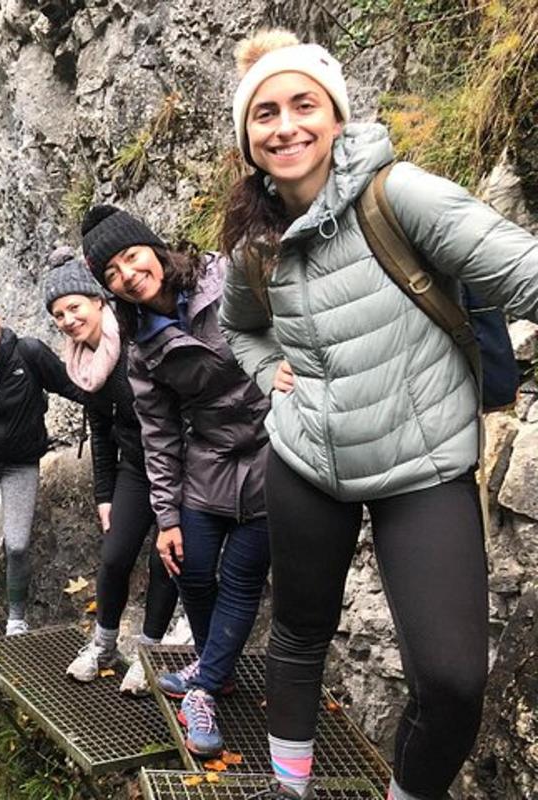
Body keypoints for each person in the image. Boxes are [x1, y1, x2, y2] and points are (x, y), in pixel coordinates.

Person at [217, 30, 538, 800]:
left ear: (336, 116)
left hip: (420, 462)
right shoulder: (255, 246)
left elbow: (525, 273)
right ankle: (287, 790)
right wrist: (271, 376)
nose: (286, 126)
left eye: (304, 105)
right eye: (265, 114)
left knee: (455, 682)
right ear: (248, 140)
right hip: (307, 459)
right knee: (297, 635)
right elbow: (239, 327)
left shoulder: (400, 196)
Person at [80, 205, 271, 758]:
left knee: (239, 580)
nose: (127, 275)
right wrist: (166, 518)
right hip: (206, 460)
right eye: (111, 273)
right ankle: (217, 670)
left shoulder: (227, 277)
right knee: (189, 567)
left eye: (131, 257)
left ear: (154, 249)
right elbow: (157, 434)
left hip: (269, 450)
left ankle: (204, 688)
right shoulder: (142, 345)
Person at [41, 247, 179, 691]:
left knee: (166, 560)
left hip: (179, 464)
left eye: (74, 307)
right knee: (115, 556)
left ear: (99, 301)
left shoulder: (136, 342)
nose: (67, 320)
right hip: (135, 467)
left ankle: (150, 650)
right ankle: (103, 643)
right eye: (58, 314)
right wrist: (104, 494)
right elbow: (100, 430)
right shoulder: (82, 365)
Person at [0, 293, 84, 638]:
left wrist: (111, 400)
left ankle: (17, 617)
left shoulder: (30, 352)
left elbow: (68, 384)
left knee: (18, 543)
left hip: (22, 460)